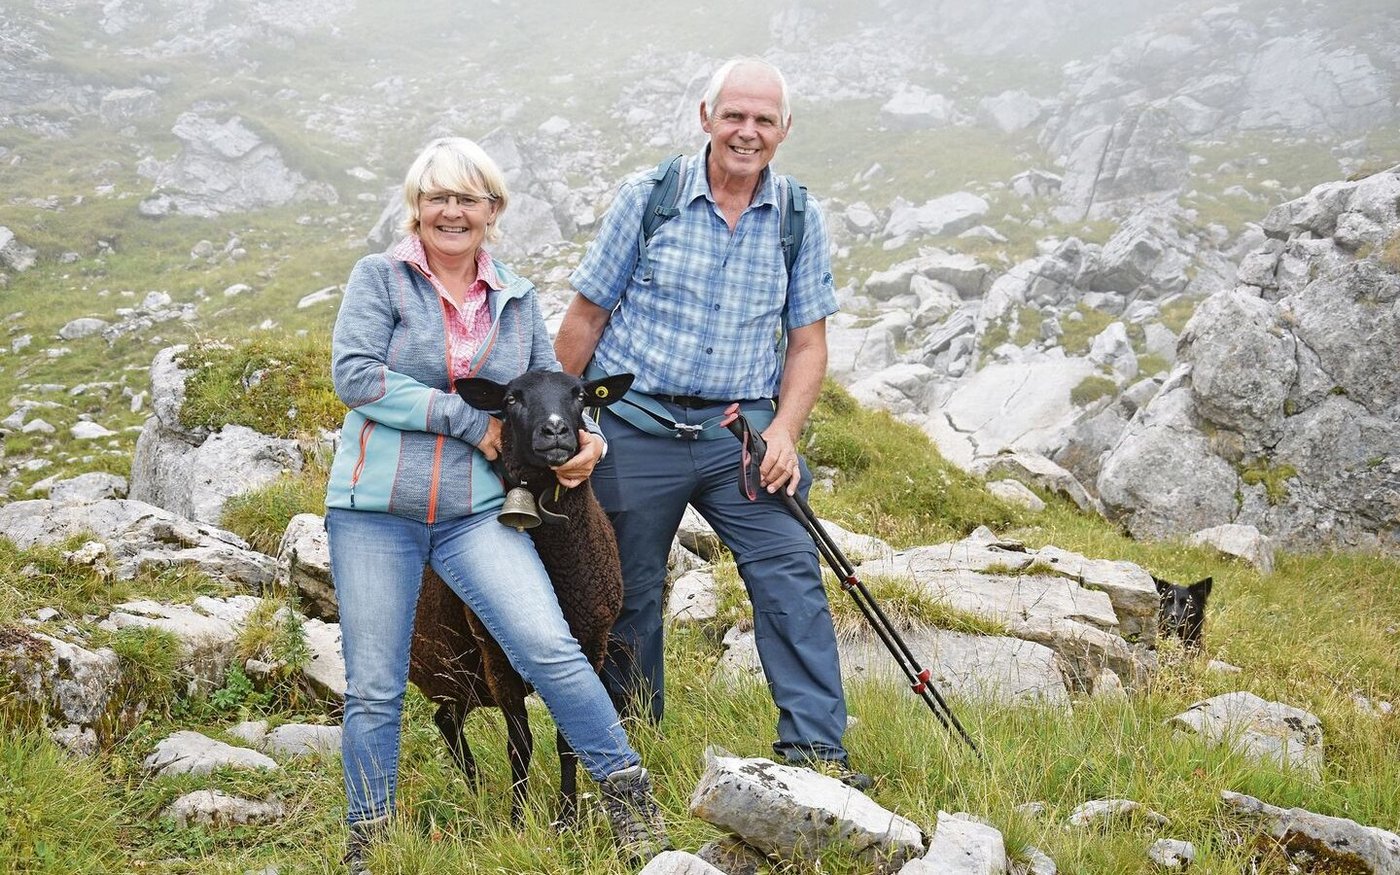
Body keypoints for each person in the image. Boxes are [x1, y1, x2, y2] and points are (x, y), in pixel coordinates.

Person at [324, 137, 666, 872]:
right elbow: (355, 374)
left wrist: (591, 441)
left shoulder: (513, 295)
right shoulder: (378, 279)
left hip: (478, 511)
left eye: (467, 198)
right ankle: (370, 840)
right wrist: (470, 420)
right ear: (416, 208)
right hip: (375, 509)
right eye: (436, 196)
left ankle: (628, 797)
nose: (452, 211)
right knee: (377, 684)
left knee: (552, 648)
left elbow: (547, 386)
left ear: (492, 210)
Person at [555, 59, 870, 789]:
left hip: (744, 435)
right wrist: (564, 423)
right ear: (706, 117)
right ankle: (627, 750)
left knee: (791, 576)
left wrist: (786, 431)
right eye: (735, 116)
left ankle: (817, 756)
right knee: (625, 592)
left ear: (783, 131)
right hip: (635, 422)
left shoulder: (797, 216)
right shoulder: (650, 197)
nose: (747, 132)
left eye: (764, 120)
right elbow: (587, 317)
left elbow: (807, 343)